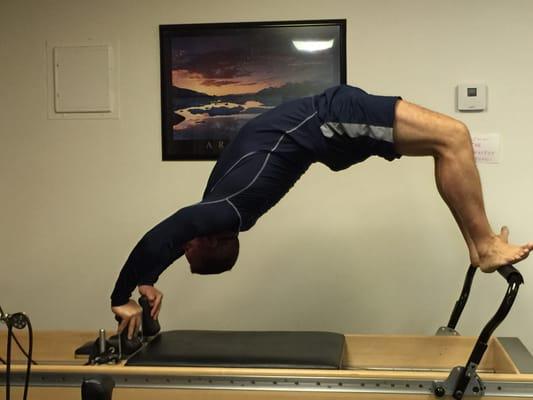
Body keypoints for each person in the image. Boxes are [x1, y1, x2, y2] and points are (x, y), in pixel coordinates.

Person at [111, 85, 533, 339]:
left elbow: (167, 236)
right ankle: (483, 246)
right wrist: (122, 298)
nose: (184, 244)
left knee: (447, 142)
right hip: (329, 119)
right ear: (213, 239)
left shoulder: (218, 208)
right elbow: (167, 234)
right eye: (191, 248)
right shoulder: (229, 211)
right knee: (454, 137)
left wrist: (144, 282)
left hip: (328, 116)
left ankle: (481, 246)